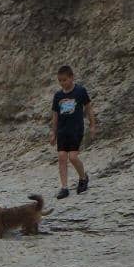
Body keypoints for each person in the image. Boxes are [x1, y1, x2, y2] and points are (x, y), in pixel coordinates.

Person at [50, 65, 96, 199]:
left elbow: (88, 108)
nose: (62, 83)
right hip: (62, 130)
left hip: (76, 129)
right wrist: (53, 132)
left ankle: (83, 178)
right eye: (60, 81)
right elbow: (55, 115)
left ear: (71, 77)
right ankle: (64, 187)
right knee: (61, 157)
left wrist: (92, 125)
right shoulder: (58, 95)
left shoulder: (80, 91)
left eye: (64, 80)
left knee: (73, 157)